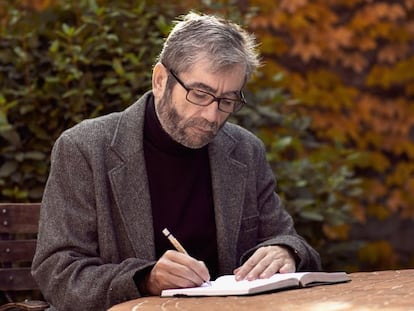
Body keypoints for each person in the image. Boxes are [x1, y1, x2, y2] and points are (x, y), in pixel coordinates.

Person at [32, 11, 321, 311]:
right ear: (160, 80)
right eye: (200, 94)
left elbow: (288, 239)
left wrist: (286, 251)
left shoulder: (245, 151)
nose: (212, 116)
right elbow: (59, 273)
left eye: (227, 101)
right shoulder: (85, 149)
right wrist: (145, 279)